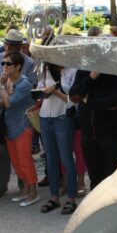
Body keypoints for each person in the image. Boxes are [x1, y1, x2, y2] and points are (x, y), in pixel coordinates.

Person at [0, 29, 37, 200]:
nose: (5, 66)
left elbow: (15, 98)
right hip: (4, 120)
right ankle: (4, 187)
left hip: (21, 122)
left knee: (24, 158)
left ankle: (30, 189)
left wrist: (3, 93)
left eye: (8, 64)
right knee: (4, 154)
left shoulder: (27, 67)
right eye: (8, 44)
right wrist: (0, 97)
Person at [0, 51, 39, 206]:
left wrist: (2, 88)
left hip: (23, 126)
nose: (4, 66)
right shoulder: (8, 81)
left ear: (18, 66)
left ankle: (33, 192)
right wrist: (4, 92)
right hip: (9, 127)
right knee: (16, 161)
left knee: (25, 161)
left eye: (8, 64)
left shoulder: (24, 83)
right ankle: (25, 190)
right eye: (3, 63)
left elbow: (7, 103)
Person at [38, 62, 79, 214]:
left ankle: (71, 198)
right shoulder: (45, 69)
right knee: (50, 158)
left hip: (63, 116)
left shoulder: (72, 70)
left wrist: (54, 91)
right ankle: (54, 196)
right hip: (45, 115)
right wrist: (41, 91)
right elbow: (40, 87)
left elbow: (73, 100)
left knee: (66, 158)